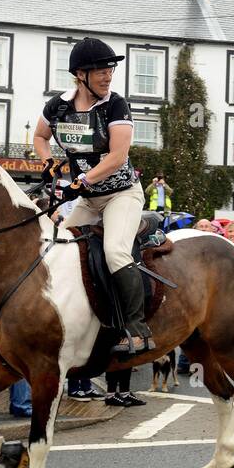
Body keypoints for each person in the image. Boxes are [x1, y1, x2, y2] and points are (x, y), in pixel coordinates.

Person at [33, 37, 152, 356]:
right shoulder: (57, 106)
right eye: (101, 70)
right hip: (86, 198)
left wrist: (82, 180)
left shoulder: (115, 104)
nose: (108, 75)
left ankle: (137, 330)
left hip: (121, 195)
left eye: (110, 69)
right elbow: (40, 136)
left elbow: (117, 155)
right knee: (59, 249)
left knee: (115, 252)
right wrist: (46, 162)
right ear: (80, 74)